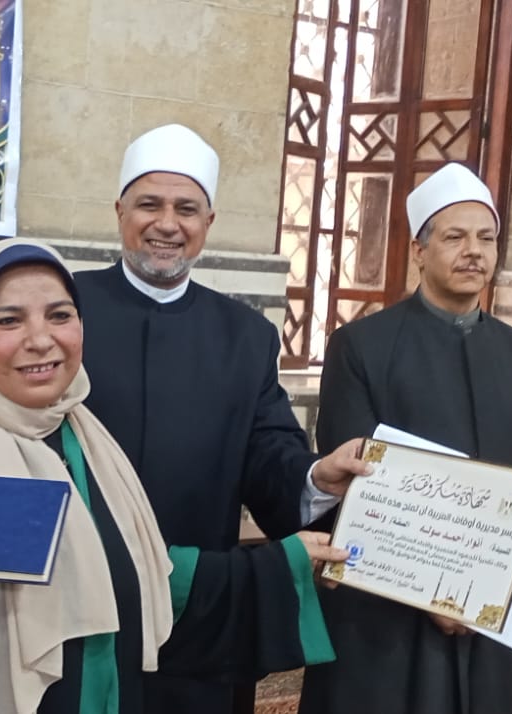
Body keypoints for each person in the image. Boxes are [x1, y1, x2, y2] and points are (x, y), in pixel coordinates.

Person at [0, 238, 344, 713]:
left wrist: (281, 565)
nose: (40, 340)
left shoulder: (92, 443)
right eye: (7, 320)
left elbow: (146, 577)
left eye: (60, 315)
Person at [72, 124, 368, 711]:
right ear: (119, 211)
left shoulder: (245, 336)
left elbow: (268, 454)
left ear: (208, 222)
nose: (167, 224)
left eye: (186, 209)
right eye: (149, 204)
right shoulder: (64, 311)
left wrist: (316, 477)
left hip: (202, 606)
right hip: (78, 593)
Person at [298, 163, 512, 714]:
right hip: (384, 614)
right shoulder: (361, 346)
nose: (474, 252)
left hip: (489, 615)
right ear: (419, 251)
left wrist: (490, 589)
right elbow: (358, 485)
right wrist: (437, 590)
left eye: (486, 239)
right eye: (455, 237)